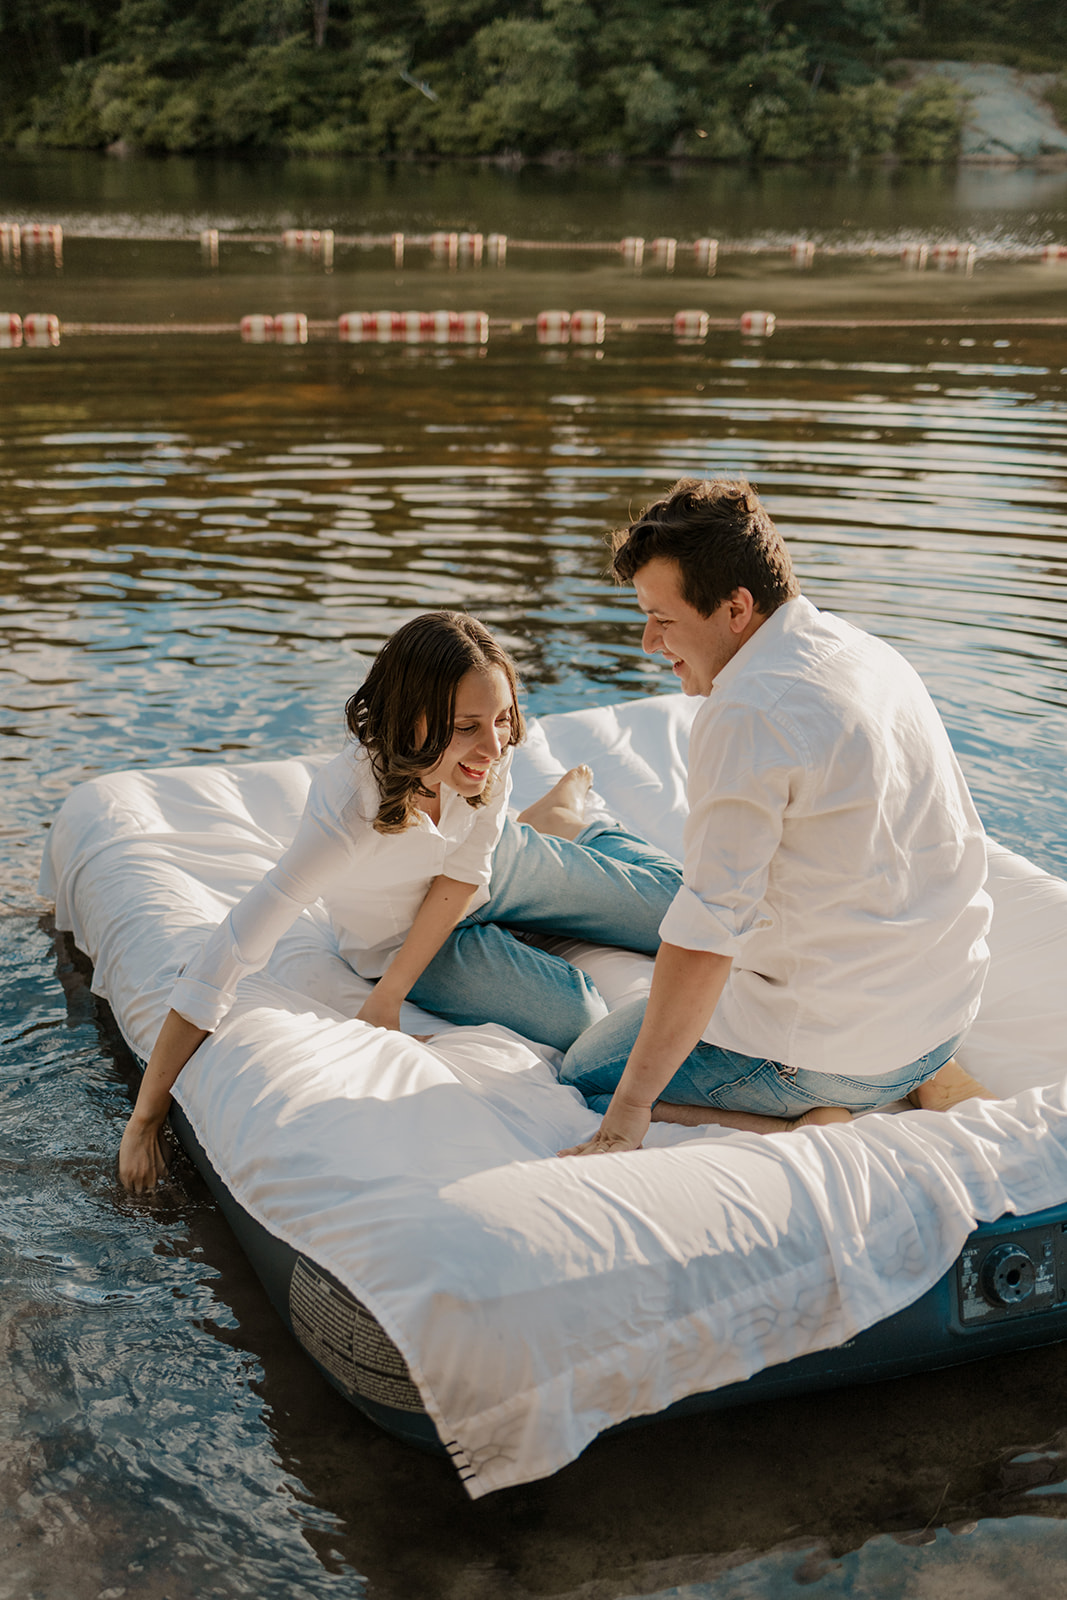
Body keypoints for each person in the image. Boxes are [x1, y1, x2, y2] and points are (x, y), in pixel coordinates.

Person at [120, 610, 682, 1192]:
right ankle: (553, 826)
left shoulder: (488, 749)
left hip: (492, 866)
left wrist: (389, 1001)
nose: (493, 745)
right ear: (411, 721)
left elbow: (467, 871)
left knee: (676, 909)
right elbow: (225, 957)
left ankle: (570, 822)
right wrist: (145, 1118)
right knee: (581, 1018)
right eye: (467, 726)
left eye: (502, 720)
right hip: (402, 936)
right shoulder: (346, 813)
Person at [559, 478, 994, 1159]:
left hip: (830, 1054)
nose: (648, 642)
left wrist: (628, 1113)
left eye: (663, 620)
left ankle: (806, 1120)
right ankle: (921, 1076)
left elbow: (706, 934)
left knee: (586, 1071)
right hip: (941, 1018)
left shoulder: (747, 712)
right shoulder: (863, 651)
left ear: (736, 606)